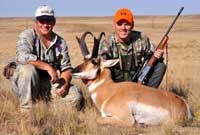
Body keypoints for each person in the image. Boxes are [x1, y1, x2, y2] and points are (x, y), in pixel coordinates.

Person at [9, 5, 83, 112]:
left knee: (75, 96)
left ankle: (45, 107)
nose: (45, 24)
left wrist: (65, 84)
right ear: (36, 22)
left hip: (47, 83)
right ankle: (26, 111)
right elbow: (22, 56)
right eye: (41, 21)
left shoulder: (60, 43)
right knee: (28, 70)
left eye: (48, 21)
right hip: (25, 82)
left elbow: (66, 68)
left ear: (54, 22)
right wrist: (48, 67)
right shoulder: (27, 36)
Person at [99, 8, 167, 88]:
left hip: (138, 82)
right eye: (119, 24)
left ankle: (147, 95)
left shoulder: (142, 39)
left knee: (160, 65)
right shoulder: (107, 42)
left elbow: (154, 55)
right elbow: (99, 64)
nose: (123, 28)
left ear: (132, 25)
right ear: (114, 24)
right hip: (115, 86)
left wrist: (159, 55)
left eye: (127, 24)